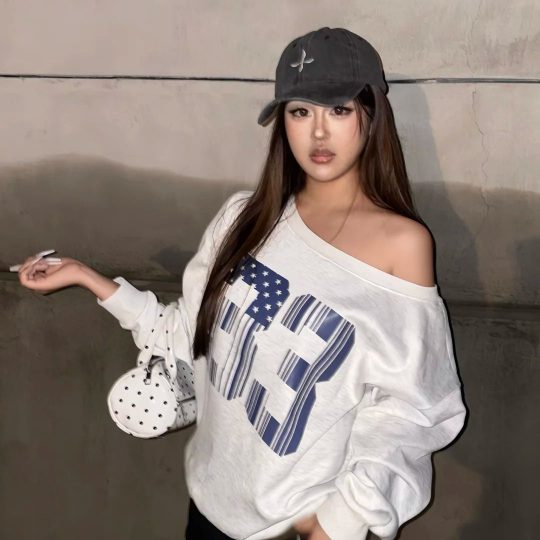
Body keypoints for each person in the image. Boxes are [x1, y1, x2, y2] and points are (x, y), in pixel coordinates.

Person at [16, 27, 467, 540]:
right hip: (211, 509)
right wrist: (85, 277)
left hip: (301, 530)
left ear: (371, 116)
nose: (319, 133)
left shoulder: (401, 245)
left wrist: (342, 520)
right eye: (300, 112)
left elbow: (413, 408)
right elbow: (188, 336)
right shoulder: (243, 218)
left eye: (339, 110)